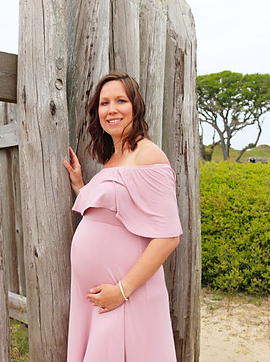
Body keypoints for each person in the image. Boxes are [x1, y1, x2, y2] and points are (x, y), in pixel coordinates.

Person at [63, 70, 183, 362]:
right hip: (100, 299)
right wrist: (82, 186)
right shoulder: (114, 158)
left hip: (126, 297)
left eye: (120, 101)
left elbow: (168, 237)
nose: (112, 109)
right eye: (104, 103)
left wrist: (121, 290)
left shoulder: (149, 155)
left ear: (135, 107)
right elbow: (112, 214)